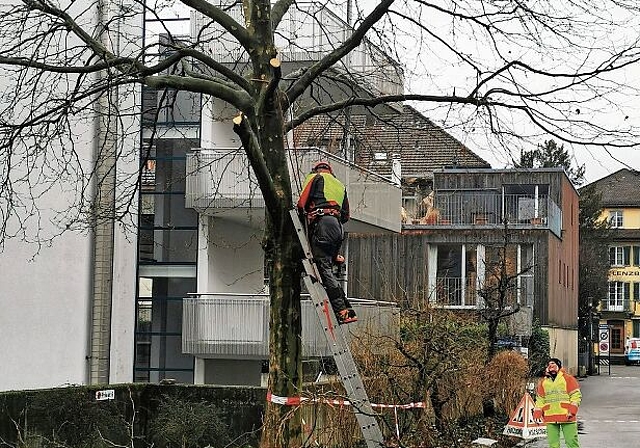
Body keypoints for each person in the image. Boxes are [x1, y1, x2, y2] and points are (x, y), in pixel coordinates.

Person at [297, 160, 356, 324]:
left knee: (324, 270)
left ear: (317, 169)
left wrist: (310, 213)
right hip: (337, 229)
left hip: (322, 226)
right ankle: (346, 309)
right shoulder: (339, 185)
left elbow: (301, 204)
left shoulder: (315, 177)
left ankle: (342, 311)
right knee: (328, 269)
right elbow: (345, 216)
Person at [533, 358, 582, 448]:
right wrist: (537, 413)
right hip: (550, 417)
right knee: (553, 445)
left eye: (553, 364)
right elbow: (540, 399)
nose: (551, 366)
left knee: (571, 443)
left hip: (567, 415)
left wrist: (572, 410)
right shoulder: (543, 382)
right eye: (549, 364)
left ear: (559, 366)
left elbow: (575, 395)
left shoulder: (568, 379)